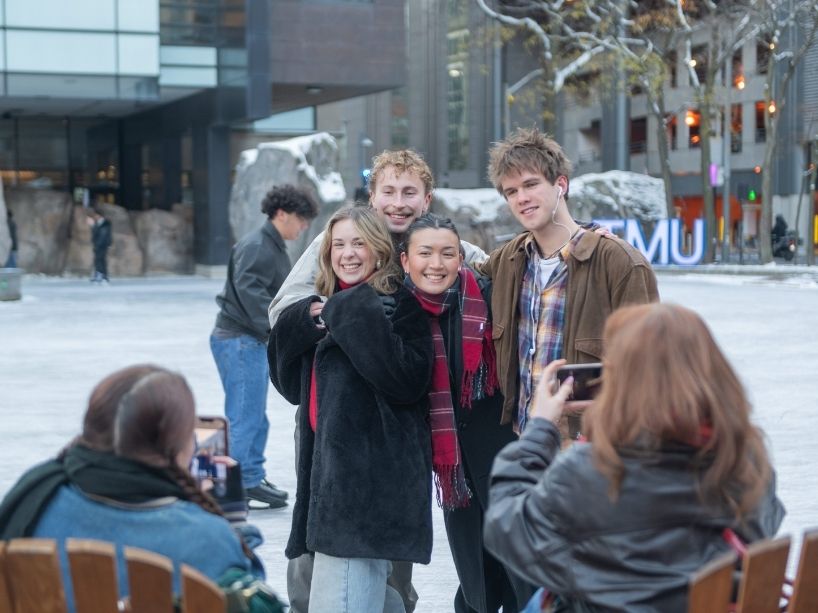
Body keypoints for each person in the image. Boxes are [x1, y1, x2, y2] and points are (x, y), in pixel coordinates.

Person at [268, 149, 487, 613]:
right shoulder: (345, 235)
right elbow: (285, 307)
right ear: (373, 195)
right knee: (313, 558)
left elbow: (488, 269)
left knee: (386, 559)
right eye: (389, 191)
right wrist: (323, 313)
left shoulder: (438, 243)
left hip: (396, 429)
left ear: (427, 198)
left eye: (410, 193)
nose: (398, 203)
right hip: (330, 419)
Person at [483, 303, 786, 612]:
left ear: (620, 381)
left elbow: (505, 528)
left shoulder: (588, 471)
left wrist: (541, 428)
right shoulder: (745, 460)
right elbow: (762, 531)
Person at [269, 206, 434, 613]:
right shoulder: (321, 308)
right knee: (373, 600)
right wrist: (302, 320)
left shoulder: (400, 305)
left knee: (342, 598)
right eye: (338, 244)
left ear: (379, 249)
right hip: (325, 485)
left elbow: (405, 381)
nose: (348, 253)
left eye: (359, 243)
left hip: (366, 496)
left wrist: (344, 311)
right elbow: (288, 384)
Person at [9, 367, 264, 610]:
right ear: (177, 448)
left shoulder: (34, 499)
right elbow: (252, 601)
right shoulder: (209, 538)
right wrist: (234, 524)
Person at [479, 127, 659, 438]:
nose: (522, 198)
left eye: (531, 184)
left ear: (560, 184)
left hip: (591, 448)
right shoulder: (508, 260)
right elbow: (452, 265)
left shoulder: (619, 263)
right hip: (526, 440)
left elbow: (650, 371)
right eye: (511, 192)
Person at [400, 214, 534, 613]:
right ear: (406, 261)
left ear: (462, 258)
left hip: (506, 461)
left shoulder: (492, 299)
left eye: (447, 253)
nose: (436, 264)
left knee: (524, 577)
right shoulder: (396, 312)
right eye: (425, 253)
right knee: (475, 582)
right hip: (453, 469)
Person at [211, 184, 318, 509]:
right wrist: (280, 326)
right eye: (300, 220)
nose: (303, 228)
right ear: (281, 214)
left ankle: (250, 476)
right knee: (245, 415)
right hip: (240, 339)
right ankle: (235, 483)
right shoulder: (258, 246)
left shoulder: (269, 244)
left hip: (247, 339)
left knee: (254, 414)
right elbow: (249, 290)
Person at [87, 208, 112, 283]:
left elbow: (103, 236)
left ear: (99, 215)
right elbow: (95, 235)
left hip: (102, 245)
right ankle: (100, 275)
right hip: (98, 245)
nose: (95, 217)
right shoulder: (98, 223)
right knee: (98, 260)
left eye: (96, 215)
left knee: (100, 260)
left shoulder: (105, 223)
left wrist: (93, 226)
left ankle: (101, 275)